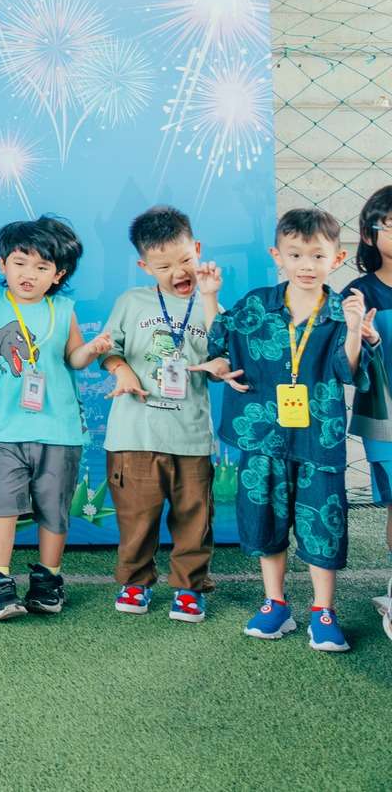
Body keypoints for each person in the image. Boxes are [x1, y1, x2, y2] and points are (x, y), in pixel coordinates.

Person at [209, 208, 380, 652]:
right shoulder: (254, 305)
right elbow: (221, 342)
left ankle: (323, 610)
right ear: (277, 255)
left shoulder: (343, 311)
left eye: (317, 255)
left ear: (337, 258)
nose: (306, 264)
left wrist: (358, 329)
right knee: (265, 517)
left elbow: (348, 370)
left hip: (317, 440)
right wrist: (219, 359)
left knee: (324, 521)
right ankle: (275, 603)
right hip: (261, 435)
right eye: (296, 254)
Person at [0, 215, 105, 622]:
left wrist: (96, 348)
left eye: (41, 267)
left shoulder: (63, 309)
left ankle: (48, 579)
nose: (28, 274)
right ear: (2, 264)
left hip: (60, 430)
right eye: (19, 262)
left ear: (58, 273)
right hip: (7, 428)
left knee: (54, 509)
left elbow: (75, 359)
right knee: (2, 506)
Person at [96, 206, 224, 623]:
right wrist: (122, 368)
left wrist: (210, 301)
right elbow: (108, 348)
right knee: (137, 515)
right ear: (144, 265)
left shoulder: (211, 305)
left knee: (194, 517)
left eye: (186, 260)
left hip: (190, 435)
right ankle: (134, 581)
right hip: (135, 434)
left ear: (198, 249)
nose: (178, 271)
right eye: (164, 265)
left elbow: (224, 356)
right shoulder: (132, 302)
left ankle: (189, 588)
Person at [339, 185, 392, 640]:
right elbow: (346, 364)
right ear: (370, 235)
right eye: (391, 225)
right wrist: (365, 335)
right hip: (387, 414)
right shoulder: (359, 291)